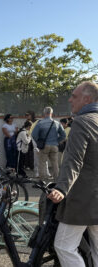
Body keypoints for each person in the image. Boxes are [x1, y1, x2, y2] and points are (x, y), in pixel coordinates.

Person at [47, 81, 98, 267]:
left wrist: (61, 187)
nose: (70, 100)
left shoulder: (82, 122)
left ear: (87, 99)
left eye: (74, 96)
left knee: (64, 246)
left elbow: (74, 160)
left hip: (82, 200)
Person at [31, 107, 66, 180]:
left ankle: (42, 181)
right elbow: (63, 135)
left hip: (44, 146)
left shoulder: (40, 123)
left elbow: (34, 135)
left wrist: (39, 141)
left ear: (44, 113)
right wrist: (57, 141)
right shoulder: (57, 123)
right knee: (55, 164)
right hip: (54, 146)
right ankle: (57, 180)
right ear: (51, 113)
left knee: (42, 163)